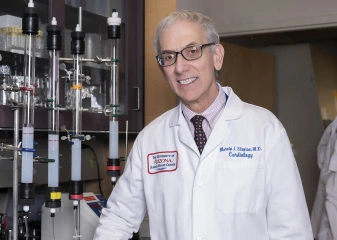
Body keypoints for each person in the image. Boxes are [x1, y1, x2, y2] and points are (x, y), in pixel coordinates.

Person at [94, 10, 313, 240]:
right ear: (162, 68)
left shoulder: (265, 129)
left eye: (192, 51)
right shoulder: (151, 139)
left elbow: (291, 229)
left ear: (216, 56)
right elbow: (118, 219)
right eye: (169, 57)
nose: (180, 67)